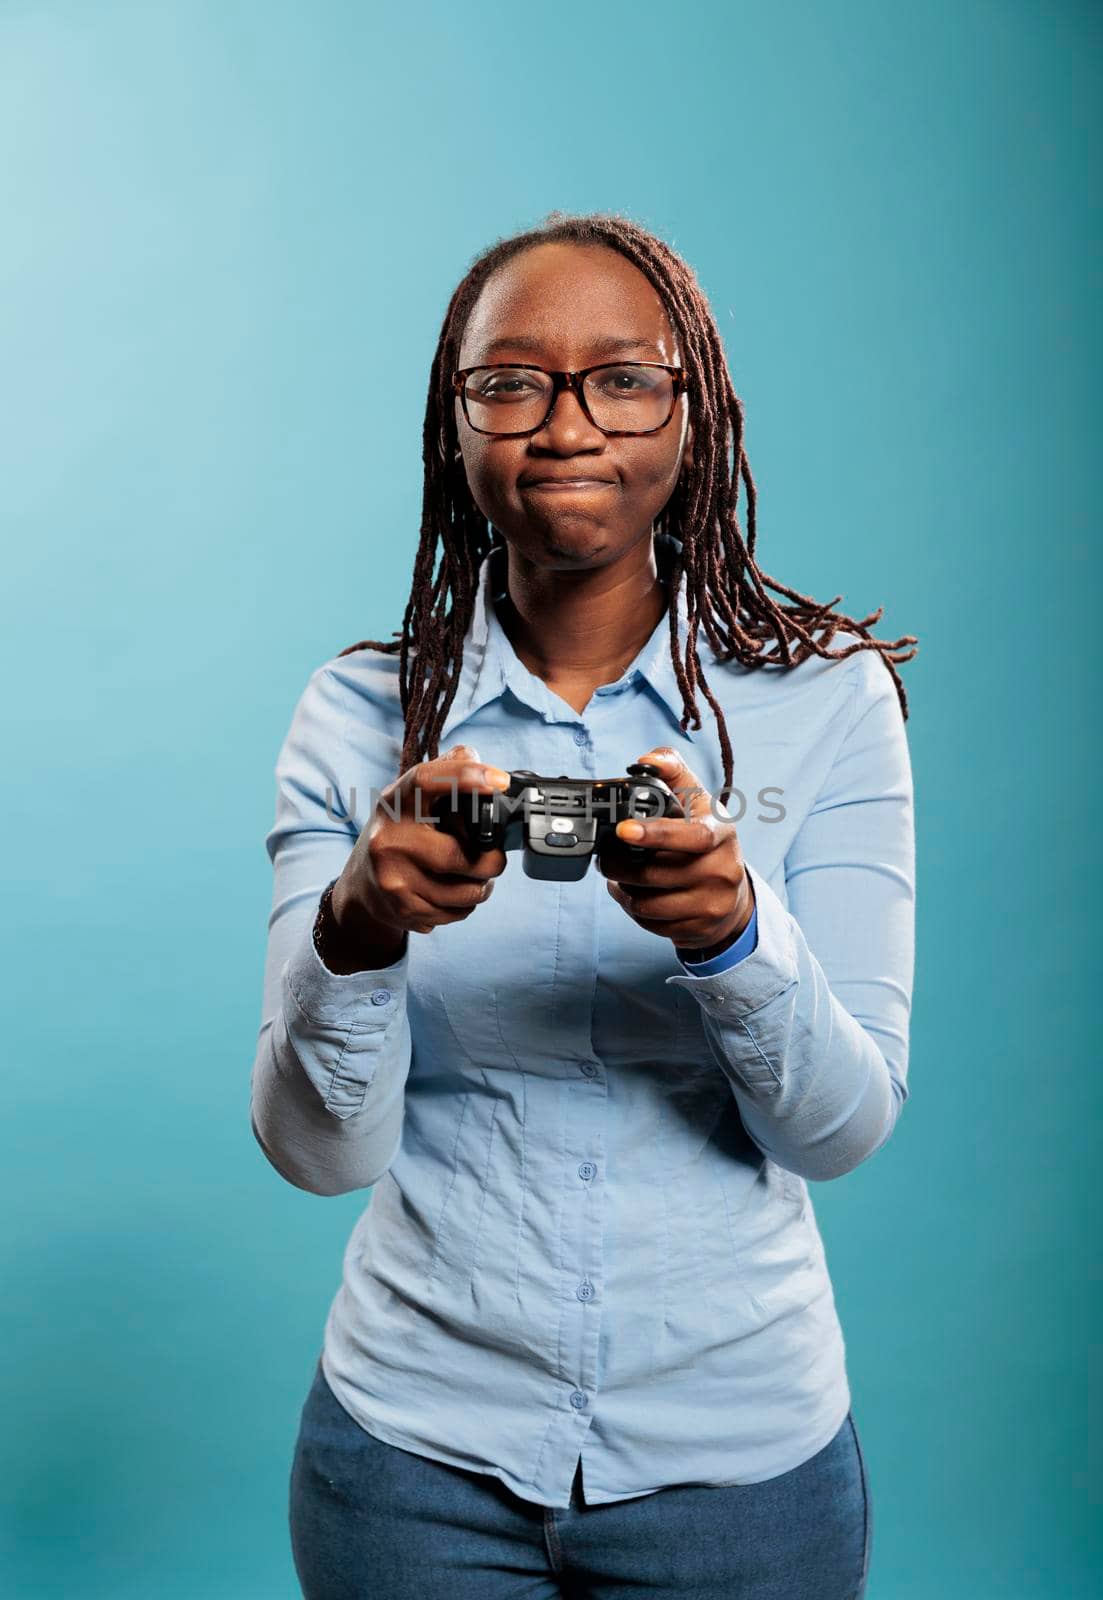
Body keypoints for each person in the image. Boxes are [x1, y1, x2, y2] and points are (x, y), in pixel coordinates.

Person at [250, 209, 917, 1600]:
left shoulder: (827, 701)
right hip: (409, 1462)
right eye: (511, 381)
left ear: (698, 414)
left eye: (623, 377)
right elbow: (321, 1158)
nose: (566, 425)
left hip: (742, 1471)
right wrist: (357, 928)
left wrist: (736, 937)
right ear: (454, 424)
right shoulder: (355, 715)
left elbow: (841, 1130)